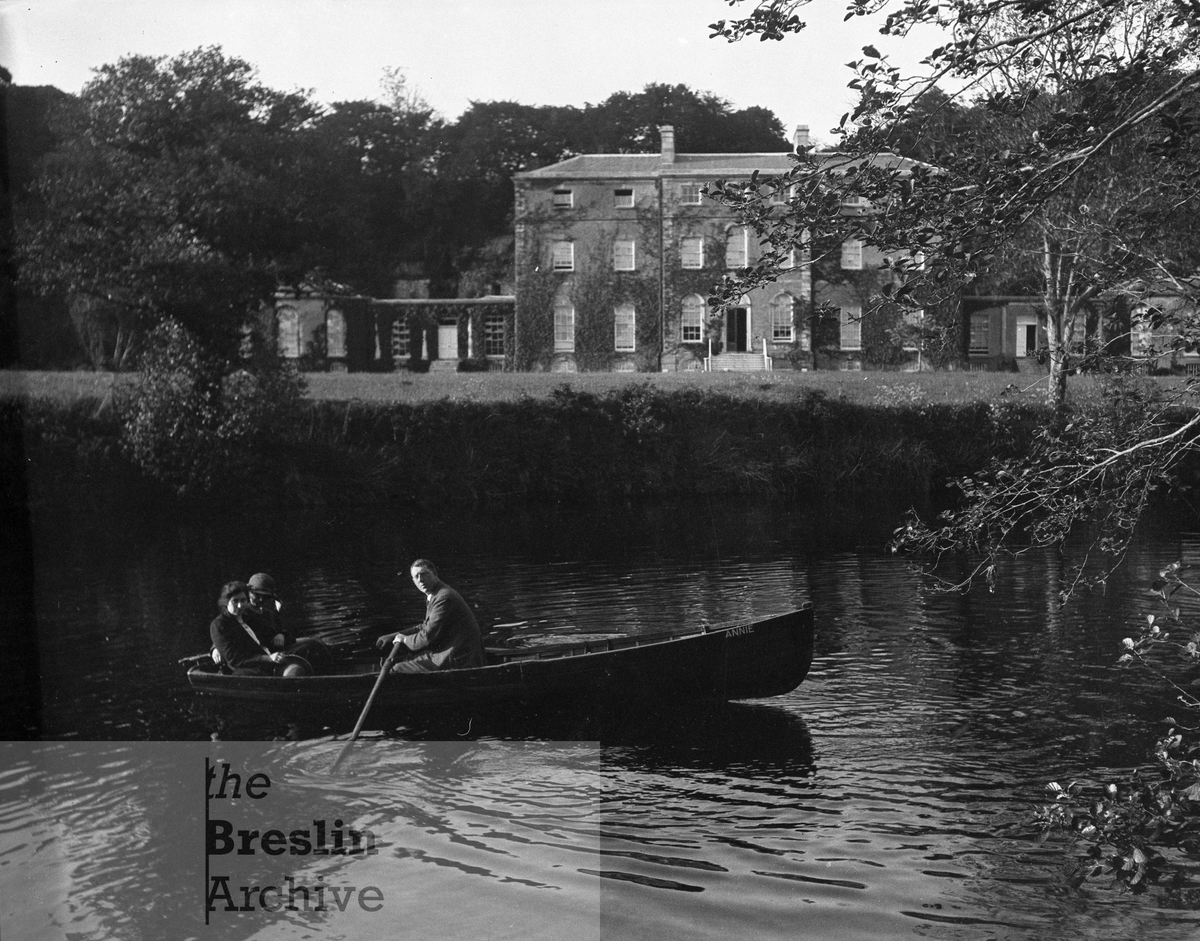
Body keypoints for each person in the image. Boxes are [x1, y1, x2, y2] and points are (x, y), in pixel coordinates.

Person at [375, 559, 485, 672]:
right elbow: (425, 627)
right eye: (416, 577)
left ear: (434, 573)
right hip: (446, 654)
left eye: (424, 574)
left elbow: (427, 637)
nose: (421, 580)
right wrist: (395, 635)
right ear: (413, 581)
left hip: (458, 659)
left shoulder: (444, 597)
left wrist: (404, 640)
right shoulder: (435, 594)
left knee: (397, 669)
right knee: (404, 660)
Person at [210, 581, 285, 675]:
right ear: (226, 602)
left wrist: (280, 634)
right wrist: (267, 658)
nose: (240, 605)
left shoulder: (248, 618)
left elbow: (268, 635)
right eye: (235, 601)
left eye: (243, 600)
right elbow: (234, 660)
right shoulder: (219, 624)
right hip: (247, 668)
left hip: (269, 659)